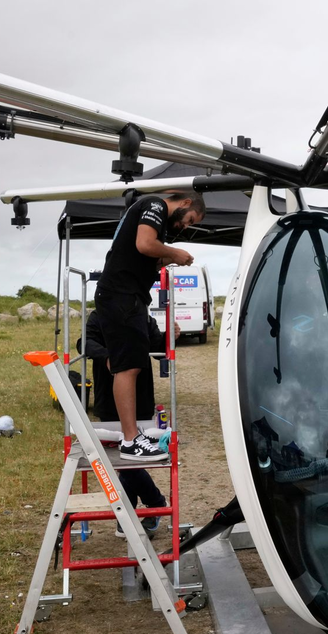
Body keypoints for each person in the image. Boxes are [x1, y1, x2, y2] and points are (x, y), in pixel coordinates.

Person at [94, 190, 204, 461]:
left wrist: (171, 257)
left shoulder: (152, 217)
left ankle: (133, 436)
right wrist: (174, 251)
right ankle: (131, 440)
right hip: (121, 295)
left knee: (131, 364)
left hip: (127, 297)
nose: (185, 226)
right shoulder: (154, 205)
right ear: (185, 203)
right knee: (127, 366)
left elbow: (146, 256)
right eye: (189, 219)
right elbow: (145, 244)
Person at [77, 309, 175, 537]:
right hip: (108, 400)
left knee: (130, 460)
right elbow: (84, 343)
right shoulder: (98, 316)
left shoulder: (143, 317)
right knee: (119, 462)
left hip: (140, 401)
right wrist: (107, 356)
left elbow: (160, 351)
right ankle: (151, 504)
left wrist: (172, 336)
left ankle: (131, 514)